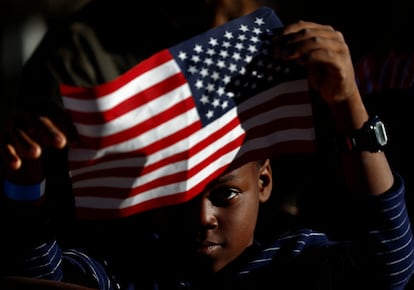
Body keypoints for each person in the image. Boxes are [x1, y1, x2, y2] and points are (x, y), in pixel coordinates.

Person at [1, 1, 414, 290]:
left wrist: (348, 105)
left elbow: (388, 265)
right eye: (180, 192)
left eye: (226, 193)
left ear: (265, 181)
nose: (203, 217)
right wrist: (25, 181)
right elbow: (36, 271)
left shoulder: (294, 263)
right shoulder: (130, 269)